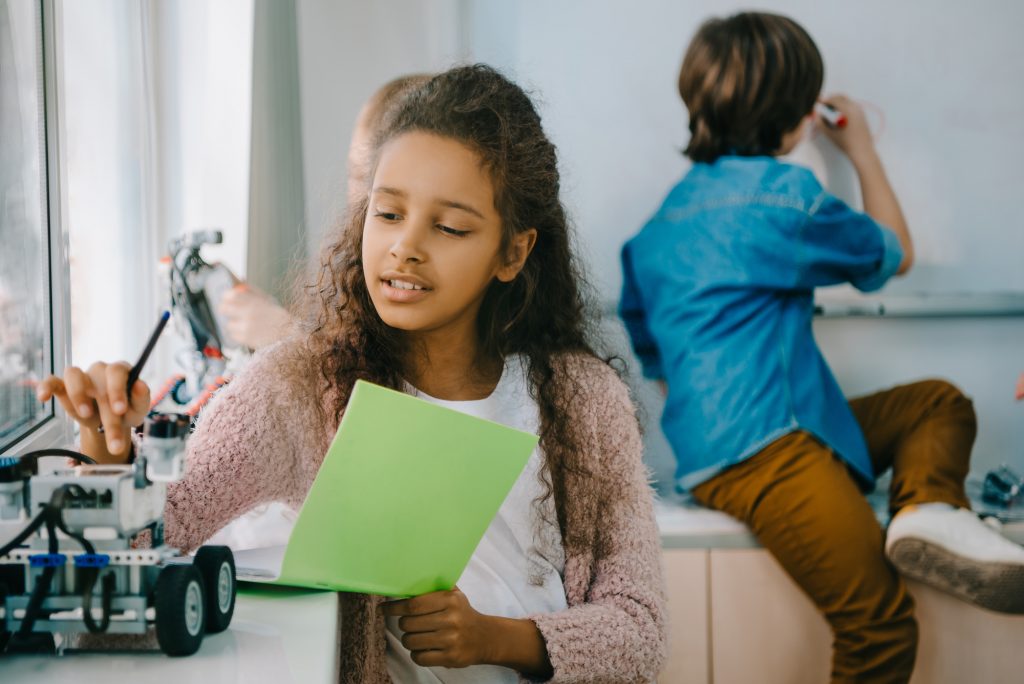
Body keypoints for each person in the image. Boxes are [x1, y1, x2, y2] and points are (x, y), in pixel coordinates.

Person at [38, 65, 667, 682]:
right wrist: (107, 456)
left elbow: (640, 631)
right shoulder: (302, 386)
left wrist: (496, 639)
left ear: (513, 251)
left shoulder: (583, 399)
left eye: (448, 227)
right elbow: (145, 550)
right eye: (387, 214)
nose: (405, 246)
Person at [619, 12, 1024, 683]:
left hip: (724, 448)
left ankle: (926, 515)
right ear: (798, 116)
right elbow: (892, 254)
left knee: (935, 403)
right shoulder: (785, 198)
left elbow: (649, 348)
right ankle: (927, 507)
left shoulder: (657, 227)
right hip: (769, 447)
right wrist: (860, 149)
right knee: (880, 623)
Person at [217, 73, 433, 351]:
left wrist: (281, 335)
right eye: (357, 177)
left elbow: (374, 384)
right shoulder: (350, 275)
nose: (370, 203)